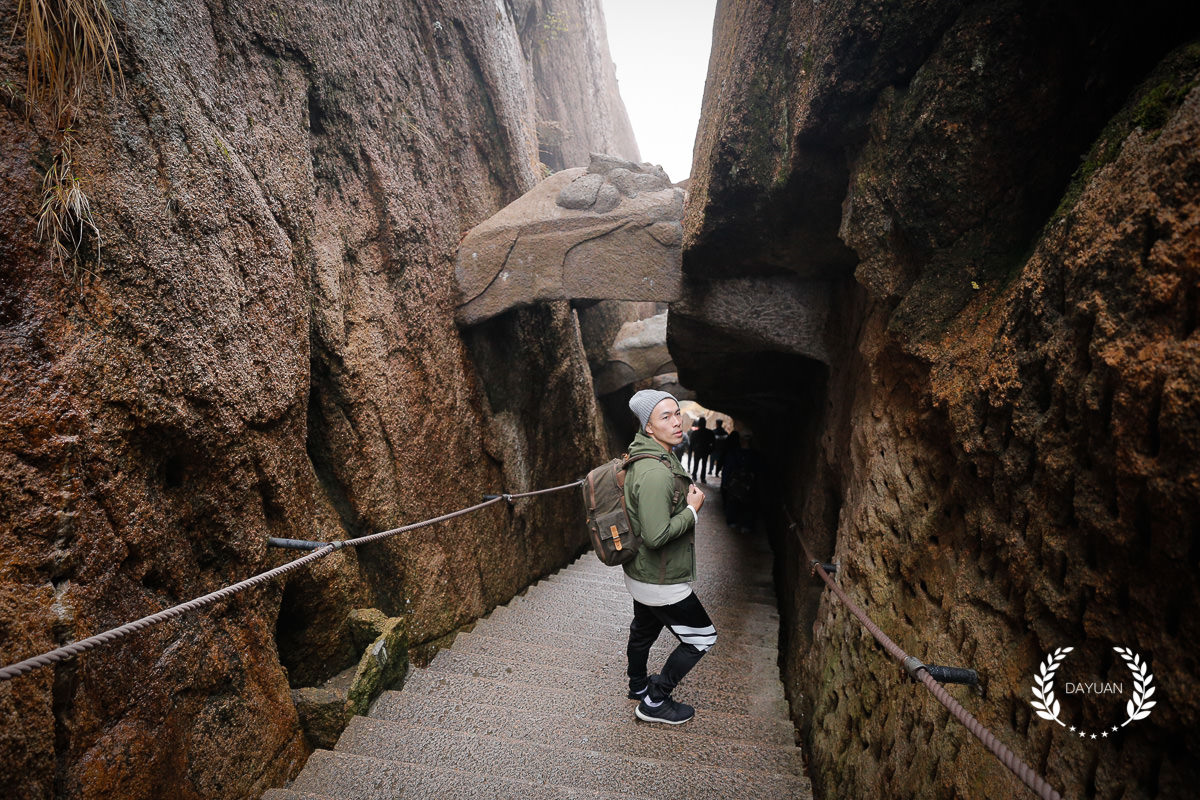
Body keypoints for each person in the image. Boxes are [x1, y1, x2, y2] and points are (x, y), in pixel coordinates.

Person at [623, 389, 716, 725]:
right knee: (703, 638)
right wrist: (692, 511)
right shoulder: (655, 472)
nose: (677, 421)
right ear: (648, 427)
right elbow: (656, 535)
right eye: (665, 416)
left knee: (644, 630)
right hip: (661, 580)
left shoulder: (653, 455)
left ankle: (637, 684)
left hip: (644, 575)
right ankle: (654, 700)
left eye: (677, 413)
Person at [689, 417, 715, 484]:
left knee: (696, 464)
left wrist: (692, 450)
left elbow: (691, 443)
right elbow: (714, 443)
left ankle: (694, 476)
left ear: (699, 424)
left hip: (697, 451)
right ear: (705, 423)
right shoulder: (709, 432)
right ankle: (702, 478)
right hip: (705, 452)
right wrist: (710, 451)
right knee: (704, 465)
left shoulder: (694, 433)